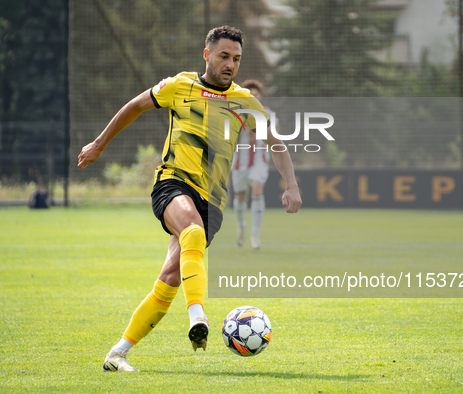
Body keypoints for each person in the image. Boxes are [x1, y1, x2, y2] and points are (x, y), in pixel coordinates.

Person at [77, 26, 302, 372]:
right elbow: (134, 106)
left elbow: (276, 143)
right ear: (207, 54)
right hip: (173, 183)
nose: (230, 64)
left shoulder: (244, 101)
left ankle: (117, 353)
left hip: (214, 202)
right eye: (224, 56)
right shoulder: (178, 85)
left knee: (170, 276)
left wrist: (291, 185)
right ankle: (198, 317)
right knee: (192, 231)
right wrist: (99, 144)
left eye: (237, 59)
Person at [231, 79, 270, 249]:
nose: (254, 97)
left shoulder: (268, 113)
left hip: (259, 159)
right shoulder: (235, 113)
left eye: (256, 95)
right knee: (240, 196)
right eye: (250, 95)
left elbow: (274, 135)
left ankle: (255, 234)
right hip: (240, 161)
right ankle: (241, 226)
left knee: (257, 189)